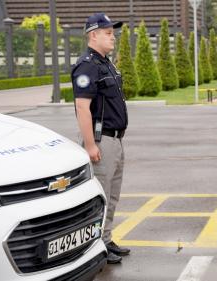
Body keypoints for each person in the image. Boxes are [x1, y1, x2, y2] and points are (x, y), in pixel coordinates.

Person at [71, 13, 131, 264]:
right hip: (101, 140)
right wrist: (90, 144)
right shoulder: (86, 65)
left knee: (112, 195)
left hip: (115, 140)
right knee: (100, 197)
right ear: (93, 35)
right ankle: (95, 247)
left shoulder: (106, 64)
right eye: (108, 32)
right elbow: (82, 108)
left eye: (113, 32)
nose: (113, 36)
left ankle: (106, 239)